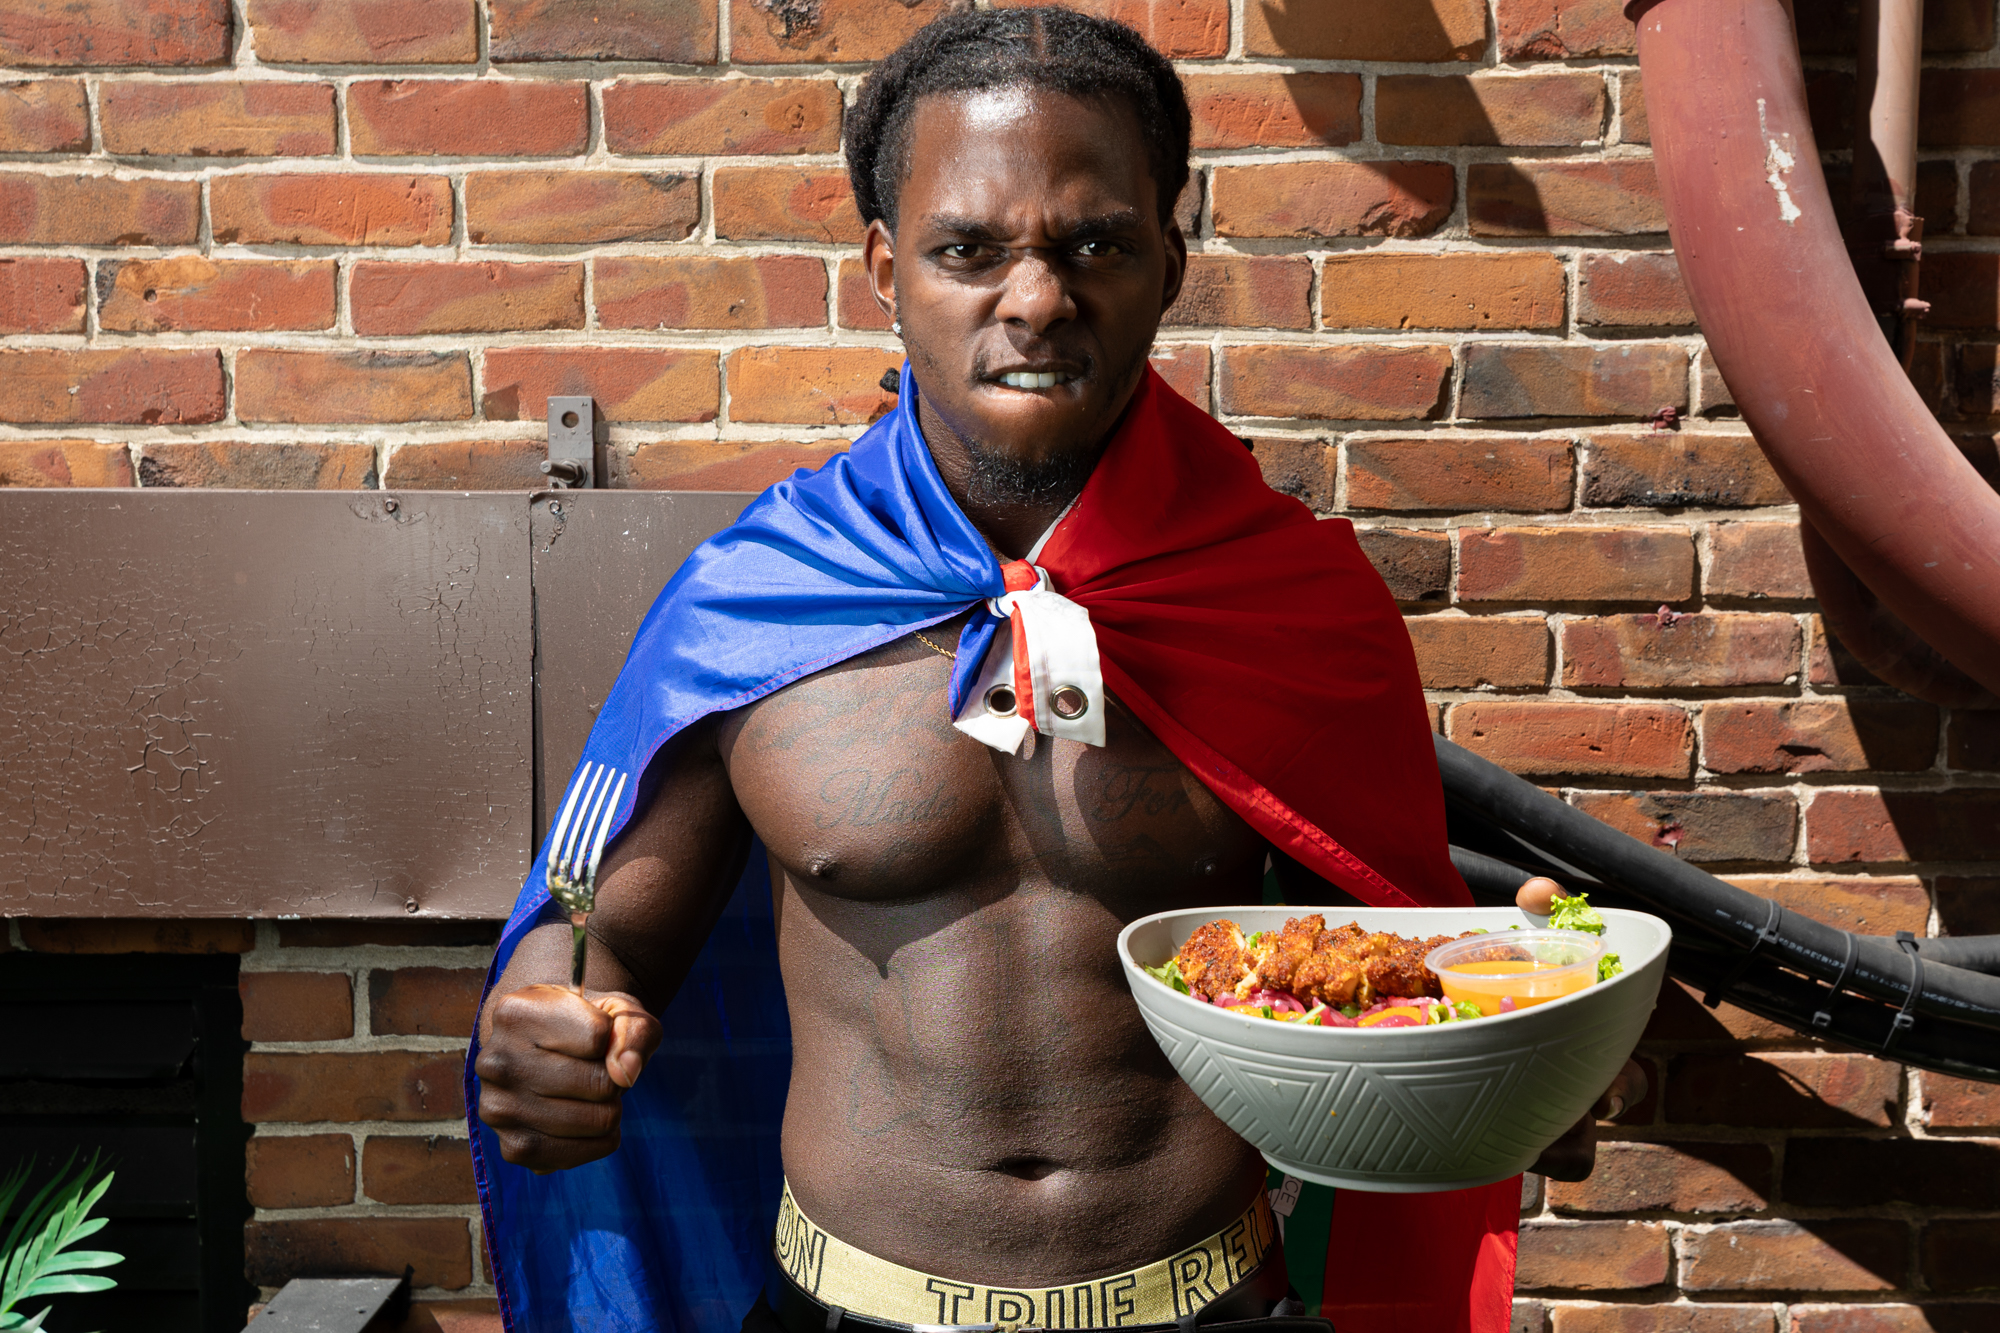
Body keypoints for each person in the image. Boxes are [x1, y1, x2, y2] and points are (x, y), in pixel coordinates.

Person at [468, 10, 1634, 1333]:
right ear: (883, 266)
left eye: (1096, 244)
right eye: (968, 248)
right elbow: (593, 930)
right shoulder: (756, 597)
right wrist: (546, 1029)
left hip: (1210, 1307)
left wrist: (1518, 1044)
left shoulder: (1294, 602)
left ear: (1169, 263)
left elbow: (1383, 973)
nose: (1036, 299)